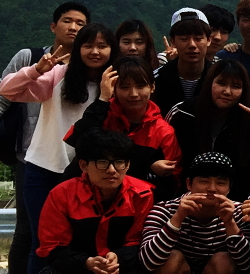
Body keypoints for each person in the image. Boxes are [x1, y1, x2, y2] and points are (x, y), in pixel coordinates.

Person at [0, 0, 90, 274]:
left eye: (80, 23)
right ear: (53, 26)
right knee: (28, 229)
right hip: (32, 156)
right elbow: (2, 95)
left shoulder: (88, 67)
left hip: (74, 162)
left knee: (75, 230)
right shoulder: (30, 57)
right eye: (67, 21)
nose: (73, 27)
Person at [0, 21, 116, 274]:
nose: (95, 51)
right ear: (78, 49)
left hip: (87, 174)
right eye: (88, 45)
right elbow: (7, 90)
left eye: (102, 46)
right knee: (42, 241)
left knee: (86, 242)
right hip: (45, 167)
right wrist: (37, 69)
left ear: (112, 50)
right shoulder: (59, 75)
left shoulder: (114, 82)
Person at [35, 129, 154, 274]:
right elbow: (51, 247)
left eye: (119, 162)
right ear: (83, 165)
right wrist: (87, 262)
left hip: (118, 271)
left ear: (128, 165)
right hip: (77, 273)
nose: (111, 170)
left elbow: (141, 242)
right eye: (102, 162)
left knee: (143, 272)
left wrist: (117, 258)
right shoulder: (61, 195)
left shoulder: (143, 194)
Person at [139, 151, 250, 274]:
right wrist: (178, 218)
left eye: (220, 182)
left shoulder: (238, 213)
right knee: (171, 258)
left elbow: (247, 265)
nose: (212, 189)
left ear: (229, 187)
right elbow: (148, 261)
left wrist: (230, 224)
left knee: (225, 260)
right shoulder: (164, 209)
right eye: (203, 181)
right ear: (189, 184)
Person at [65, 58, 182, 198]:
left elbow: (173, 180)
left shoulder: (163, 131)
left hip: (137, 201)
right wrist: (102, 99)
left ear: (152, 87)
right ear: (114, 88)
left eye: (140, 86)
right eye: (125, 87)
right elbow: (76, 139)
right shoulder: (102, 114)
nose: (134, 94)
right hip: (86, 196)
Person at [166, 60, 250, 201]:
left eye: (236, 86)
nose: (227, 92)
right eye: (221, 83)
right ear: (209, 83)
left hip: (234, 199)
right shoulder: (182, 113)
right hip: (186, 195)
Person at [153, 15, 214, 112]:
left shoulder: (218, 79)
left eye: (198, 38)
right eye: (184, 39)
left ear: (209, 40)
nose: (192, 45)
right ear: (173, 42)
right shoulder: (155, 80)